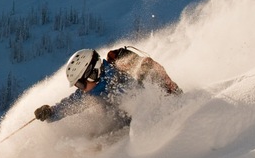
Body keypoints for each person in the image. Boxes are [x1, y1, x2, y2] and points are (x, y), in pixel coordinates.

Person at [34, 46, 181, 124]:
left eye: (80, 83)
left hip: (159, 115)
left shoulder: (119, 77)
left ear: (93, 73)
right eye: (78, 85)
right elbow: (71, 104)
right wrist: (51, 112)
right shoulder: (92, 91)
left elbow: (145, 99)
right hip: (126, 127)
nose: (81, 89)